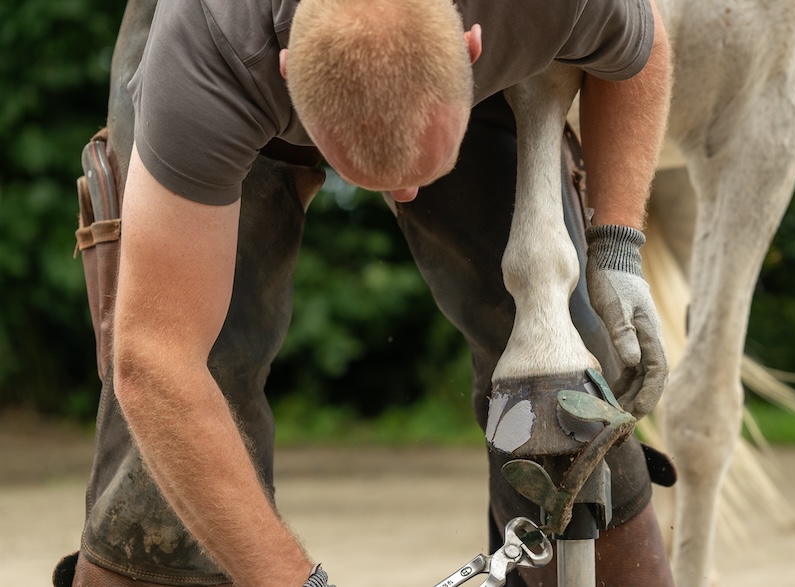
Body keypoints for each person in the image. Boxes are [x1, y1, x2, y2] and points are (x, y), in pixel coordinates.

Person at [55, 0, 673, 586]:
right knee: (175, 414)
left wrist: (616, 247)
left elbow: (638, 49)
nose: (402, 198)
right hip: (244, 65)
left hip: (458, 84)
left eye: (420, 175)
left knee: (566, 370)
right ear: (289, 68)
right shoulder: (211, 51)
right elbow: (158, 360)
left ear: (470, 44)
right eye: (373, 181)